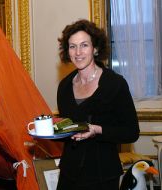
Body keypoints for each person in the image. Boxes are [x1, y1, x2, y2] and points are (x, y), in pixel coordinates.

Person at [56, 19, 140, 190]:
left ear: (95, 48)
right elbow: (68, 127)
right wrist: (54, 128)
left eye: (84, 45)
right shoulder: (64, 87)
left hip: (102, 176)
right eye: (72, 46)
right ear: (67, 51)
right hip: (68, 174)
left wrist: (96, 129)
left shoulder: (115, 84)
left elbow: (131, 132)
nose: (78, 52)